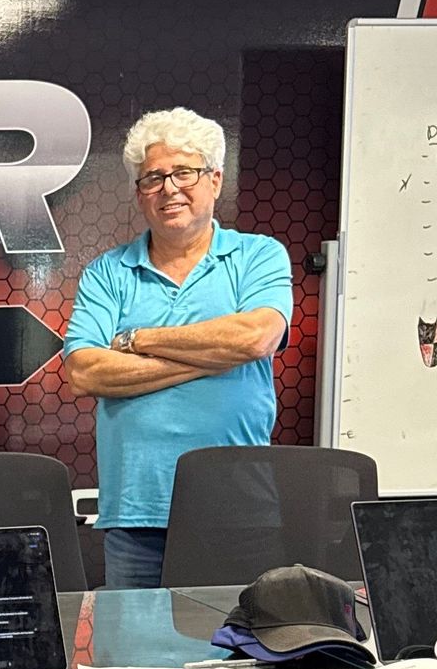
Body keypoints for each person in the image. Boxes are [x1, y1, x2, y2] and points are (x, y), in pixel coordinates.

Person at [64, 107, 293, 588]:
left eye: (183, 173)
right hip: (135, 513)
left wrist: (136, 340)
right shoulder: (108, 272)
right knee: (132, 662)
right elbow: (85, 372)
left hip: (238, 511)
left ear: (214, 180)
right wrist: (213, 358)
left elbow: (255, 337)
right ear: (139, 194)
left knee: (243, 659)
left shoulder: (257, 255)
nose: (169, 188)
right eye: (153, 178)